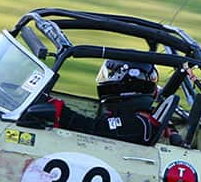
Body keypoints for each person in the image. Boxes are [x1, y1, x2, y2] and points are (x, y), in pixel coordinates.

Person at [48, 60, 183, 146]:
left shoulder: (137, 124)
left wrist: (59, 110)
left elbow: (93, 129)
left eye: (111, 75)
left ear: (124, 84)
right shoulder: (139, 118)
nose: (106, 80)